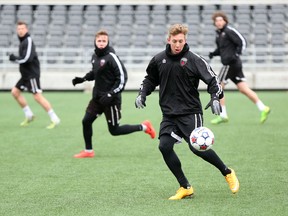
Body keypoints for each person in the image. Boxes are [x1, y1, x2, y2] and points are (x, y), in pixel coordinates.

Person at [135, 24, 239, 200]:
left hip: (191, 112)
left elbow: (213, 80)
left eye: (181, 41)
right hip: (169, 114)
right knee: (164, 147)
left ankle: (227, 172)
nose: (177, 44)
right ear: (169, 40)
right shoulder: (158, 59)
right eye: (174, 41)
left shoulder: (194, 59)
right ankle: (185, 186)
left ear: (185, 40)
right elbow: (150, 79)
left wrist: (215, 97)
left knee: (197, 148)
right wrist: (142, 94)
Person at [72, 30, 156, 158]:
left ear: (107, 42)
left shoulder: (112, 57)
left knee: (114, 130)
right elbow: (96, 72)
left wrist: (111, 94)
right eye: (99, 41)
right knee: (86, 121)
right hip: (97, 98)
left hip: (111, 100)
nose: (101, 43)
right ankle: (88, 151)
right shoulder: (94, 56)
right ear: (95, 42)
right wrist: (82, 79)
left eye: (104, 41)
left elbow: (122, 78)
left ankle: (144, 127)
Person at [208, 11, 270, 124]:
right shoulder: (219, 35)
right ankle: (263, 108)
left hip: (230, 64)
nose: (218, 22)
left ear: (225, 21)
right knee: (243, 89)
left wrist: (237, 54)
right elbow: (223, 50)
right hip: (233, 64)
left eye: (221, 20)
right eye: (216, 21)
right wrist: (214, 53)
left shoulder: (229, 31)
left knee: (218, 87)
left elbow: (242, 42)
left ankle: (223, 115)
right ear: (214, 23)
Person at [9, 21, 60, 129]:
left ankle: (55, 118)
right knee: (15, 92)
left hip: (32, 75)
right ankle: (29, 115)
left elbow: (27, 58)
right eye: (18, 29)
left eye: (22, 28)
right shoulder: (23, 41)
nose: (20, 31)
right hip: (25, 75)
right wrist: (17, 59)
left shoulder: (28, 40)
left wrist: (15, 59)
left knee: (37, 96)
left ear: (26, 29)